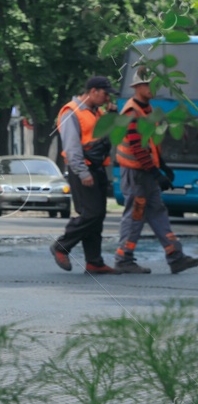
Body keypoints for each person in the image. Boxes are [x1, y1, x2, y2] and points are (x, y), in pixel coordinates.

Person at [111, 67, 198, 274]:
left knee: (158, 212)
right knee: (136, 215)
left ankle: (175, 256)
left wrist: (162, 166)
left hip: (145, 174)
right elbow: (137, 147)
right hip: (137, 175)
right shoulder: (132, 111)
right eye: (150, 84)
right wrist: (154, 171)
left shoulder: (148, 110)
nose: (154, 88)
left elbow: (151, 145)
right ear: (138, 87)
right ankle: (123, 258)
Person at [51, 75, 117, 274]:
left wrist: (111, 116)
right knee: (92, 213)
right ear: (93, 91)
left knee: (97, 216)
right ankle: (61, 246)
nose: (107, 99)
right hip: (83, 170)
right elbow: (72, 147)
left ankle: (94, 262)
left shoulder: (96, 113)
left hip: (97, 169)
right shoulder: (72, 111)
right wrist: (82, 172)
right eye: (105, 94)